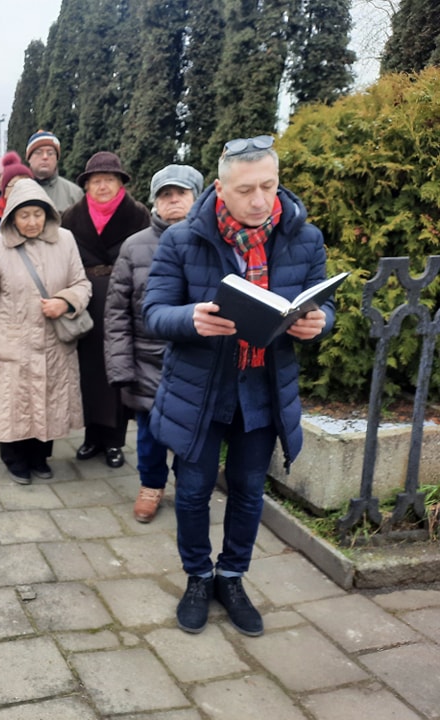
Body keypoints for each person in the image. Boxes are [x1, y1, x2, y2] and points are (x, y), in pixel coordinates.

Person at [143, 135, 333, 637]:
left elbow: (321, 302)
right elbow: (154, 311)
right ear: (220, 190)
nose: (259, 200)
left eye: (269, 186)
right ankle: (198, 578)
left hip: (263, 389)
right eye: (246, 189)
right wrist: (191, 318)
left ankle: (232, 576)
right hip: (200, 390)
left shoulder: (304, 238)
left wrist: (320, 322)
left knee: (250, 491)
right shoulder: (182, 239)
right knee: (193, 492)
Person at [0, 179, 91, 483]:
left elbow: (82, 283)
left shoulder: (65, 241)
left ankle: (40, 457)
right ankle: (14, 459)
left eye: (38, 214)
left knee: (48, 402)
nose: (32, 222)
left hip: (53, 342)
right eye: (24, 216)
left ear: (48, 213)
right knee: (15, 405)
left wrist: (65, 302)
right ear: (12, 216)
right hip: (11, 343)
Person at [103, 164, 204, 523]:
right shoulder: (135, 246)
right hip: (148, 359)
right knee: (149, 434)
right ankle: (151, 484)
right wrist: (120, 366)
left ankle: (190, 490)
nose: (173, 200)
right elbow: (116, 312)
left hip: (198, 360)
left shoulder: (213, 242)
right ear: (155, 202)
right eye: (165, 194)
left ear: (197, 197)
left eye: (181, 193)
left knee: (195, 434)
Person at [61, 151, 150, 469]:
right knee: (88, 372)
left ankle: (114, 441)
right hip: (87, 304)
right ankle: (91, 437)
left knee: (118, 369)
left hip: (122, 303)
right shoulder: (71, 216)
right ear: (86, 185)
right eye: (96, 180)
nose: (102, 186)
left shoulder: (138, 214)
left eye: (108, 180)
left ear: (120, 183)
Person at [25, 130, 84, 212]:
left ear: (57, 159)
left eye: (50, 153)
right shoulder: (17, 190)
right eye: (38, 152)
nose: (45, 157)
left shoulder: (74, 193)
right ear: (29, 158)